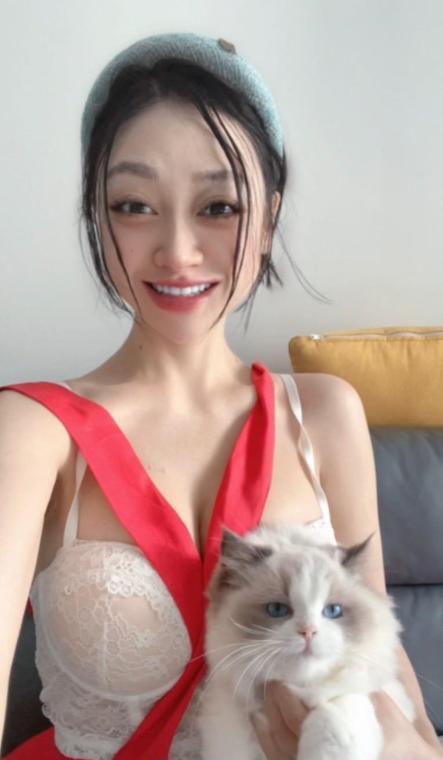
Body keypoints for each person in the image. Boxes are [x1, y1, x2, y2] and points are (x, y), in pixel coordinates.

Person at [0, 32, 441, 760]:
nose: (177, 251)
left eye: (219, 206)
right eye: (133, 205)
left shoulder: (325, 414)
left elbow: (395, 692)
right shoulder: (30, 432)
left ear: (268, 218)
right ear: (96, 217)